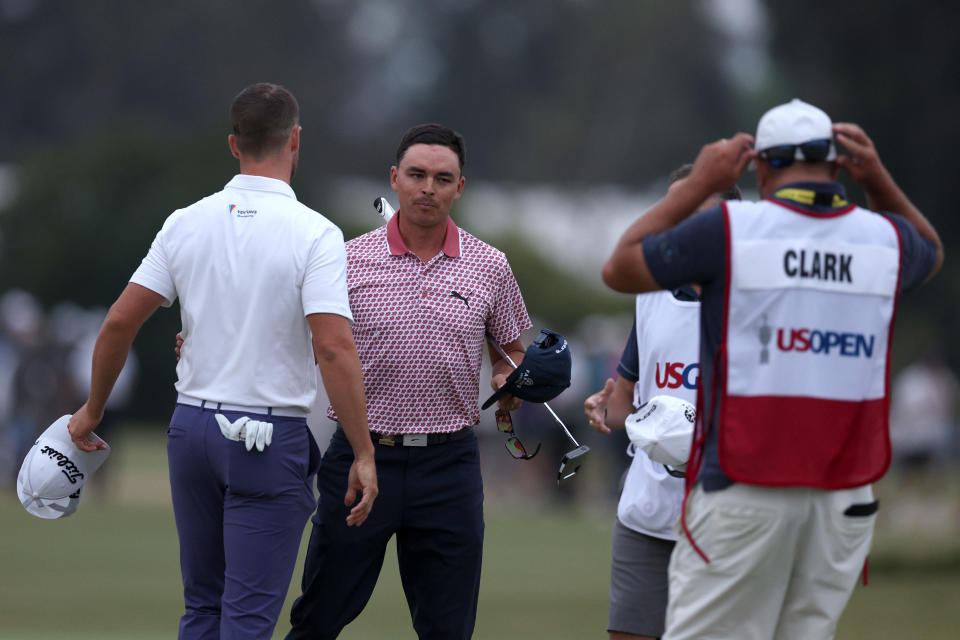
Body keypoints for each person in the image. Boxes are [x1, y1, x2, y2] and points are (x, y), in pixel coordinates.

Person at [602, 99, 943, 640]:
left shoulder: (735, 230)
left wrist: (700, 183)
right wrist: (877, 177)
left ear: (759, 169)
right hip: (843, 499)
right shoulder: (880, 238)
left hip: (748, 484)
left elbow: (620, 266)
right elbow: (929, 247)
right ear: (838, 165)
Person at [67, 83, 378, 640]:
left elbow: (119, 322)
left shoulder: (185, 221)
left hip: (191, 430)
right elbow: (332, 346)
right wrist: (362, 449)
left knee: (202, 609)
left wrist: (92, 409)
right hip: (267, 435)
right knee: (247, 622)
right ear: (296, 141)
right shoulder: (316, 234)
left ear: (234, 144)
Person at [287, 123, 531, 640]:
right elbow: (297, 336)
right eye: (417, 175)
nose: (428, 188)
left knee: (448, 627)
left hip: (450, 464)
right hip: (359, 455)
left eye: (443, 178)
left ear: (459, 187)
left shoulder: (490, 265)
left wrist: (511, 375)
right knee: (320, 615)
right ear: (394, 179)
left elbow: (512, 349)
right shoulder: (347, 259)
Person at [584, 165, 740, 640]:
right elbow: (626, 400)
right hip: (648, 511)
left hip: (733, 516)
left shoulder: (757, 300)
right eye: (669, 211)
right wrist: (604, 408)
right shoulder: (650, 294)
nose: (674, 225)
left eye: (690, 211)